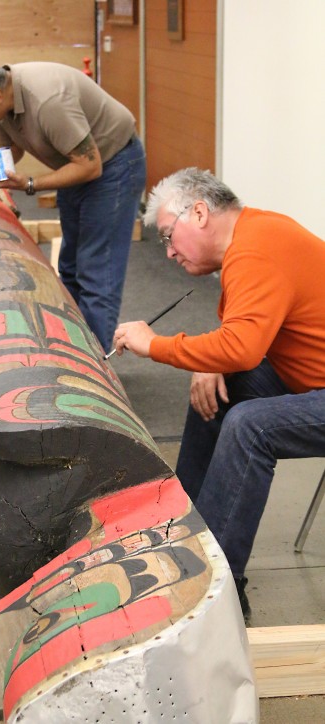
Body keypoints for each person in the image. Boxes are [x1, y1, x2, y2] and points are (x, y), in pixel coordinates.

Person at [112, 167, 325, 622]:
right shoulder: (253, 238)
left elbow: (243, 347)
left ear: (201, 213)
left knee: (252, 426)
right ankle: (182, 538)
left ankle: (216, 588)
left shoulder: (258, 249)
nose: (168, 252)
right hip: (310, 380)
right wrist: (213, 362)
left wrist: (156, 345)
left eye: (169, 236)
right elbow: (243, 339)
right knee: (218, 391)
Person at [0, 56, 146, 354]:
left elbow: (91, 167)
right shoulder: (3, 105)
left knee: (96, 270)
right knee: (70, 267)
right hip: (74, 166)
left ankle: (95, 368)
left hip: (113, 167)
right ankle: (71, 351)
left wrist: (30, 184)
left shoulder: (49, 102)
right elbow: (10, 149)